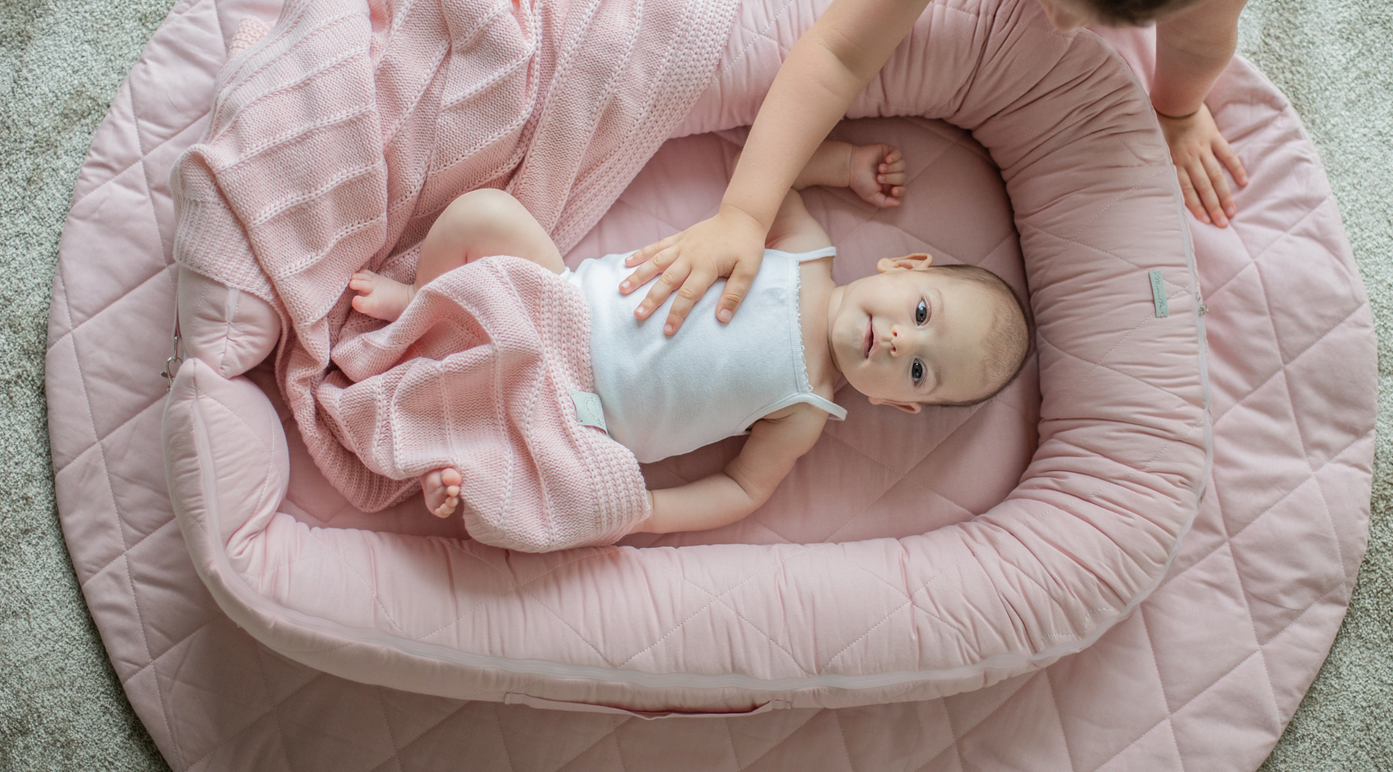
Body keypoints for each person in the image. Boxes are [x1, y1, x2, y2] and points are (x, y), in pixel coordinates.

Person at [614, 0, 1288, 338]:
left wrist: (1178, 110)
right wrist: (743, 213)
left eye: (1104, 18)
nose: (1059, 26)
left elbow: (1200, 38)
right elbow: (840, 51)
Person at [349, 140, 1029, 533]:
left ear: (895, 402)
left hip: (582, 420)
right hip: (565, 305)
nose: (903, 343)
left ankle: (448, 464)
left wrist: (644, 510)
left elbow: (743, 489)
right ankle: (424, 303)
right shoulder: (803, 251)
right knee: (486, 214)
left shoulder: (805, 409)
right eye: (921, 313)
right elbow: (772, 170)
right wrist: (844, 165)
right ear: (903, 266)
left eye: (919, 372)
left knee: (563, 508)